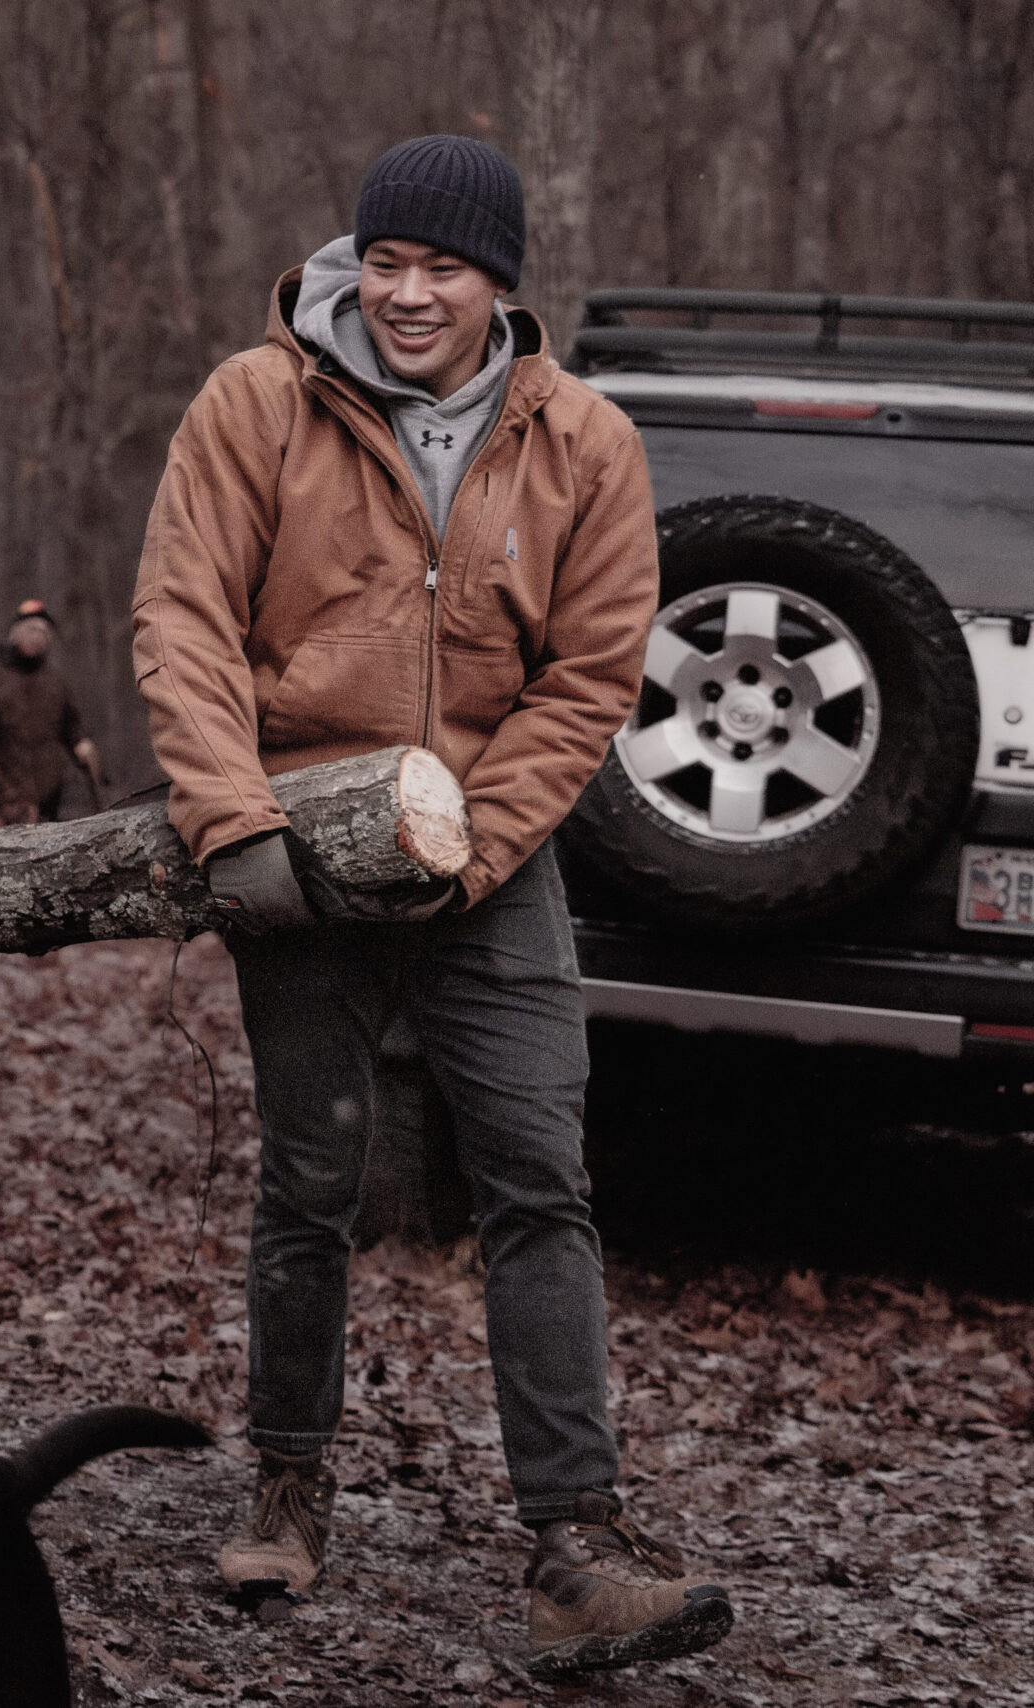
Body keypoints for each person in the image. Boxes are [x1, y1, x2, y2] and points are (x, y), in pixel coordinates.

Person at [129, 136, 736, 1680]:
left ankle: (576, 1541)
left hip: (490, 865)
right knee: (310, 1180)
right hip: (295, 847)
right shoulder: (254, 403)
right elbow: (184, 620)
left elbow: (593, 674)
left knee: (541, 1177)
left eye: (442, 268)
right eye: (385, 261)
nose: (407, 294)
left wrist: (468, 849)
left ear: (498, 282)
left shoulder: (584, 440)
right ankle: (285, 1482)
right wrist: (233, 823)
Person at [0, 598, 106, 825]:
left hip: (47, 797)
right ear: (15, 633)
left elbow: (71, 726)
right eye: (31, 629)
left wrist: (81, 744)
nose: (37, 636)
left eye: (44, 632)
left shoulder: (55, 682)